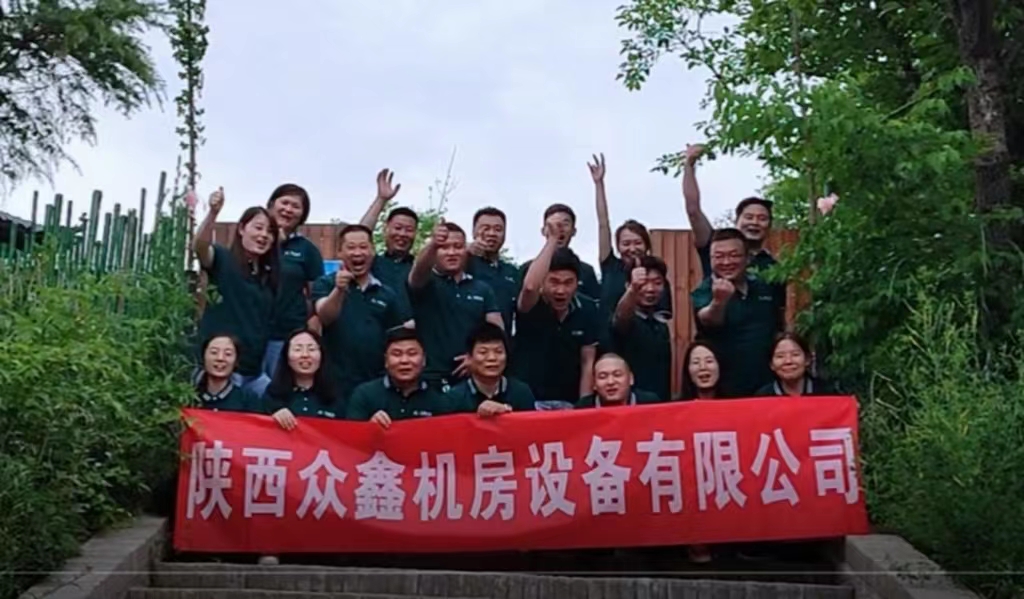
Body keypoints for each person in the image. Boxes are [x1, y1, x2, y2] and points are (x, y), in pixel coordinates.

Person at [193, 188, 279, 397]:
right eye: (258, 228)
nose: (263, 235)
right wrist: (213, 213)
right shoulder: (223, 259)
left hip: (255, 371)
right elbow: (200, 247)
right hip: (222, 372)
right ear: (241, 229)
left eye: (270, 232)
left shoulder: (269, 275)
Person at [682, 143, 786, 312]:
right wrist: (689, 165)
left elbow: (779, 311)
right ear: (737, 220)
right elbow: (693, 210)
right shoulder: (714, 243)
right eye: (749, 217)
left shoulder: (773, 267)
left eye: (762, 218)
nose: (754, 222)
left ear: (769, 225)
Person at [312, 224, 410, 401]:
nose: (357, 253)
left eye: (363, 247)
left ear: (372, 251)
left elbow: (395, 337)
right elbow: (325, 316)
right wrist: (339, 290)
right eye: (351, 247)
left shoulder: (386, 293)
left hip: (375, 382)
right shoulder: (325, 284)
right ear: (340, 252)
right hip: (334, 381)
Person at [407, 220, 503, 390]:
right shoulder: (426, 283)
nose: (451, 252)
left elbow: (496, 331)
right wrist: (433, 244)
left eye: (458, 247)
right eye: (444, 247)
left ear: (466, 250)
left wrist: (476, 359)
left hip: (471, 379)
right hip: (429, 377)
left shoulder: (482, 289)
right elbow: (417, 272)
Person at [513, 229, 600, 408]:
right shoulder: (530, 304)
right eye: (554, 282)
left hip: (569, 402)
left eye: (568, 283)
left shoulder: (588, 308)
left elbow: (587, 361)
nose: (561, 290)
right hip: (529, 401)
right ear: (543, 282)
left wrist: (584, 405)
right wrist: (552, 240)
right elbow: (530, 287)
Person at [691, 228, 782, 398]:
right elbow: (707, 319)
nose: (726, 262)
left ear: (747, 258)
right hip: (724, 389)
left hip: (766, 385)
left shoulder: (764, 287)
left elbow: (779, 324)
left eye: (734, 255)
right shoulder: (704, 290)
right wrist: (719, 301)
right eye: (719, 256)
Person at [588, 153, 672, 319]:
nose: (632, 249)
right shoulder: (611, 266)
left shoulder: (656, 277)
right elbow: (603, 223)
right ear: (618, 247)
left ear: (646, 245)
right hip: (607, 334)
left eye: (637, 242)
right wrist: (599, 184)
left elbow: (661, 320)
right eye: (626, 243)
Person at [346, 328, 472, 427]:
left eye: (412, 354)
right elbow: (351, 439)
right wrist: (368, 428)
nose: (404, 361)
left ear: (424, 360)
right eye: (396, 354)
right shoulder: (365, 394)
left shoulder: (438, 398)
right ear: (386, 361)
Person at [263, 184, 324, 376]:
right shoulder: (254, 241)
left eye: (296, 206)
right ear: (271, 205)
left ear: (303, 215)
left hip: (287, 334)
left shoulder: (307, 249)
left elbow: (316, 293)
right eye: (284, 203)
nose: (288, 209)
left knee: (278, 385)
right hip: (251, 331)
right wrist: (275, 243)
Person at [611, 256, 672, 401]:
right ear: (628, 285)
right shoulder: (627, 319)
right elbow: (621, 318)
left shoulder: (661, 325)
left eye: (657, 283)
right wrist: (633, 288)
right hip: (632, 404)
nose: (650, 289)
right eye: (643, 283)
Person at [445, 323, 536, 414]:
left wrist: (506, 409)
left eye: (498, 351)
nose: (492, 358)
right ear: (469, 358)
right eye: (483, 352)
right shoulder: (454, 399)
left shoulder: (522, 393)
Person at [518, 204, 601, 301]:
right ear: (543, 231)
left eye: (565, 224)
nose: (559, 229)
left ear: (574, 231)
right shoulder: (527, 268)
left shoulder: (586, 271)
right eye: (553, 224)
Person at [358, 169, 413, 315]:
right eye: (398, 228)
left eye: (409, 230)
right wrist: (381, 200)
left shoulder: (419, 268)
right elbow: (359, 236)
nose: (402, 234)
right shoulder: (373, 263)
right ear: (385, 229)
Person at [264, 328, 343, 428]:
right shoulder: (273, 395)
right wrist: (275, 414)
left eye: (311, 349)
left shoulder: (334, 395)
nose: (305, 355)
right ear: (286, 356)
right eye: (298, 349)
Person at [467, 207, 521, 333]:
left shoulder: (511, 271)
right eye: (485, 228)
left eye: (498, 229)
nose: (492, 233)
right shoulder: (463, 265)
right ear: (474, 232)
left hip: (502, 341)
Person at [193, 335, 263, 413]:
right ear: (203, 357)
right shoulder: (189, 396)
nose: (220, 358)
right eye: (214, 352)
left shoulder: (247, 399)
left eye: (228, 354)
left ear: (236, 361)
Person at [756, 332, 838, 397]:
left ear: (807, 360)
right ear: (771, 364)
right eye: (780, 356)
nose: (788, 361)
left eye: (795, 354)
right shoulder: (763, 397)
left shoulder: (827, 393)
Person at [575, 353, 661, 409]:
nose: (610, 382)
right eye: (603, 377)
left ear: (631, 379)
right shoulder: (583, 407)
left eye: (617, 375)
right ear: (594, 384)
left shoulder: (649, 403)